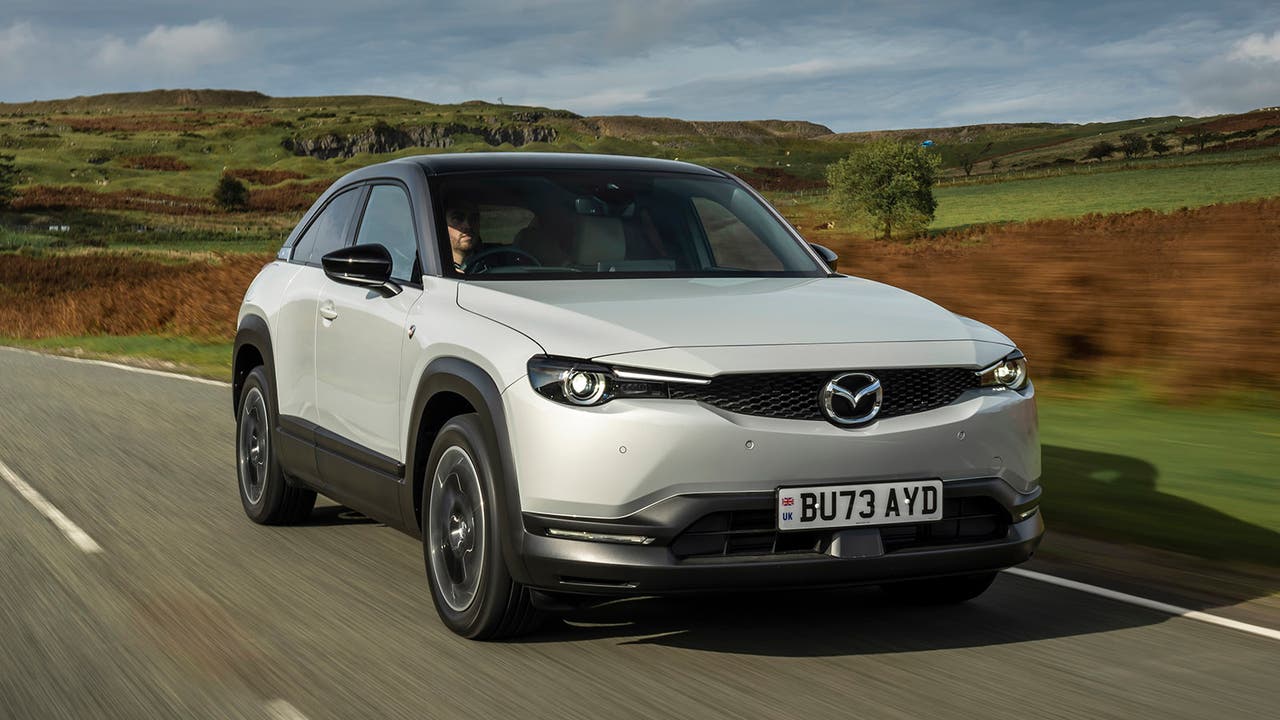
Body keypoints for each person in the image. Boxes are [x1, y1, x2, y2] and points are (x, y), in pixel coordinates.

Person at [445, 201, 482, 271]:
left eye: (473, 218)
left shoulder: (497, 259)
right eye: (457, 219)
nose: (468, 225)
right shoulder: (428, 266)